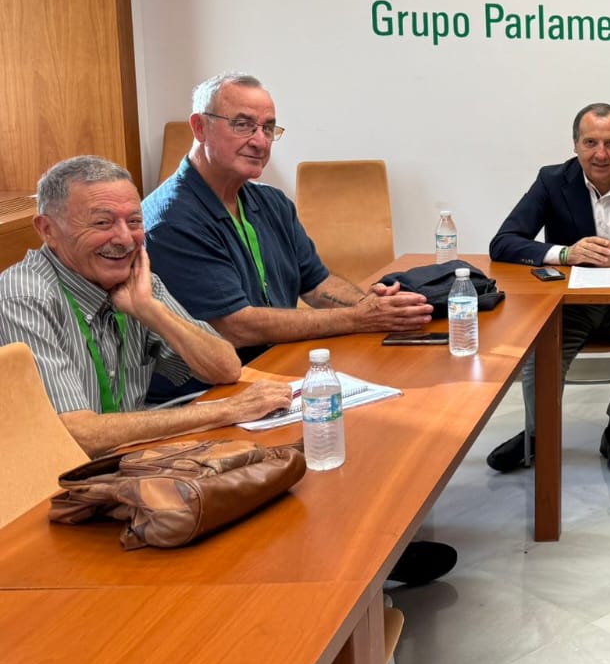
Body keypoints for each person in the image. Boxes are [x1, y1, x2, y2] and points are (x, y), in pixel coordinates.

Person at [143, 73, 453, 586]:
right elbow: (234, 326)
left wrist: (379, 308)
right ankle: (338, 570)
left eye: (268, 128)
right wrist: (357, 319)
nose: (259, 140)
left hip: (280, 368)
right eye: (243, 124)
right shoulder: (171, 218)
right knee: (345, 435)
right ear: (200, 127)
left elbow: (318, 281)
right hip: (213, 392)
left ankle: (374, 549)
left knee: (391, 422)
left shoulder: (269, 203)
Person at [0, 155, 293, 457]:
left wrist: (151, 310)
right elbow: (78, 433)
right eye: (102, 222)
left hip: (130, 463)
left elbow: (225, 368)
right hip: (55, 481)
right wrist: (225, 410)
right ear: (47, 230)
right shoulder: (24, 297)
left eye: (135, 221)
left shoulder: (137, 282)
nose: (125, 239)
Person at [488, 102, 610, 475]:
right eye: (590, 142)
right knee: (539, 354)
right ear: (576, 144)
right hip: (570, 304)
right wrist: (565, 253)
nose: (601, 154)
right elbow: (503, 242)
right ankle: (537, 433)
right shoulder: (552, 180)